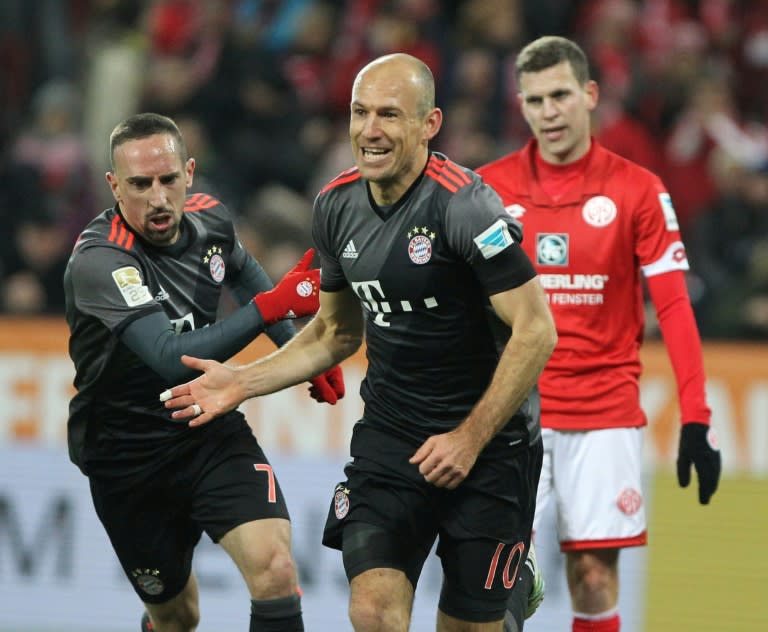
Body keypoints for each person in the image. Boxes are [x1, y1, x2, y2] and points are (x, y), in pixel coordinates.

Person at [160, 53, 558, 632]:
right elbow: (335, 331)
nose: (370, 130)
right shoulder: (334, 206)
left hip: (491, 447)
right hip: (392, 440)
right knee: (371, 612)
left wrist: (469, 439)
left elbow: (536, 330)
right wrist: (242, 382)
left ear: (430, 124)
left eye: (390, 115)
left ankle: (513, 591)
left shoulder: (466, 206)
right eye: (359, 112)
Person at [63, 112, 345, 632]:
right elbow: (171, 359)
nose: (158, 197)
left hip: (205, 426)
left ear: (189, 173)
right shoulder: (100, 261)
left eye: (168, 180)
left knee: (277, 569)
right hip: (126, 457)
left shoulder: (211, 217)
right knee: (178, 617)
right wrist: (270, 308)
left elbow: (240, 268)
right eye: (140, 184)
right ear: (113, 187)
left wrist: (301, 349)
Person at [476, 36, 722, 632]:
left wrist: (696, 419)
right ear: (522, 105)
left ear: (589, 95)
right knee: (494, 582)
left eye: (560, 95)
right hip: (513, 410)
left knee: (592, 580)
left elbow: (675, 308)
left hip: (604, 412)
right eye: (535, 100)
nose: (549, 112)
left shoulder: (638, 190)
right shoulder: (487, 191)